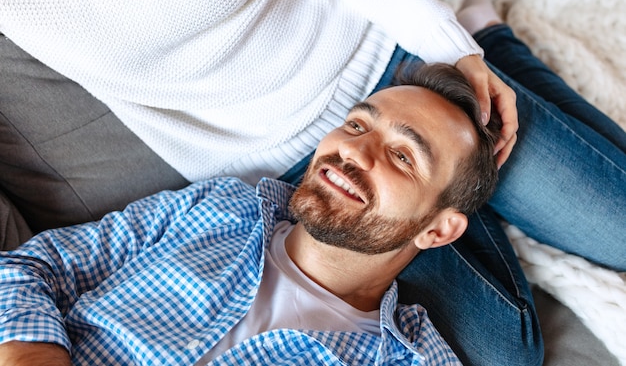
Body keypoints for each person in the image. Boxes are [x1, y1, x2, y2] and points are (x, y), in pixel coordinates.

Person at [0, 0, 625, 363]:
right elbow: (34, 270)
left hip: (385, 65)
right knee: (502, 354)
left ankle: (485, 59)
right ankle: (453, 173)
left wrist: (451, 47)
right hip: (282, 166)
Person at [0, 63, 501, 365]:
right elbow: (28, 267)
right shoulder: (215, 207)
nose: (355, 152)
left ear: (439, 229)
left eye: (401, 156)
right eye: (356, 125)